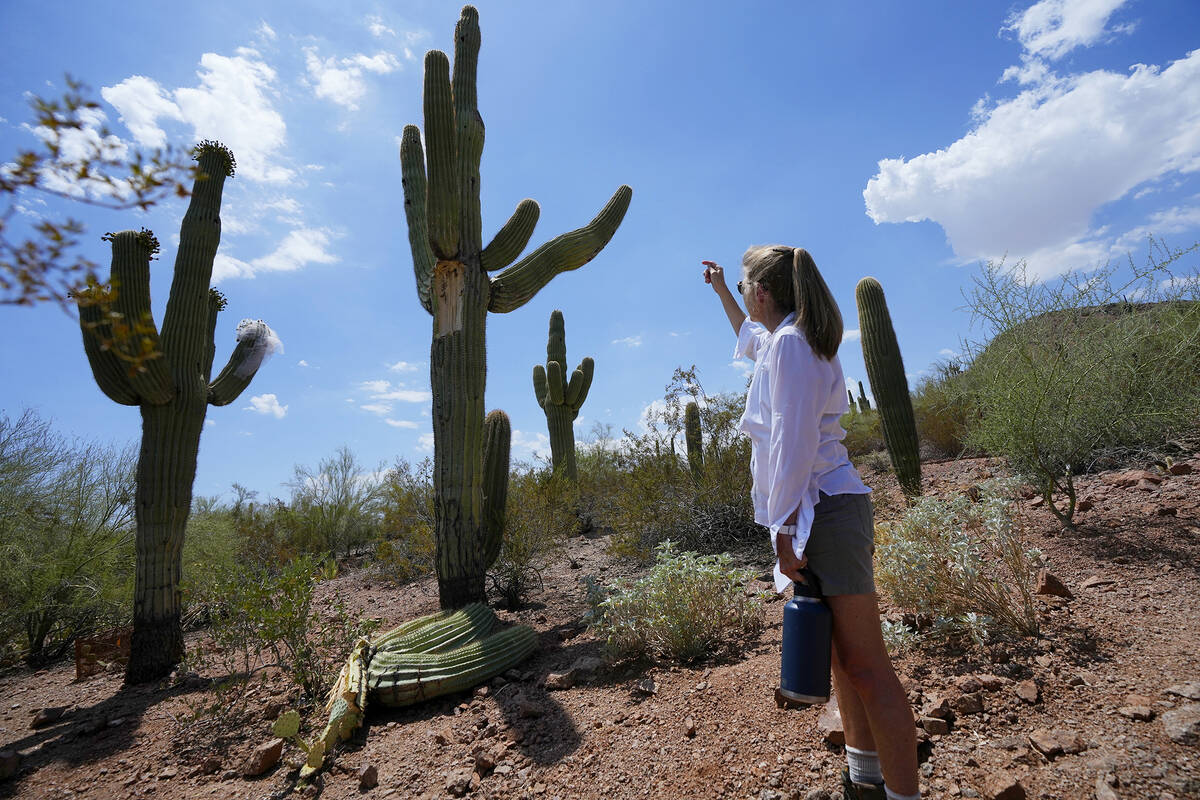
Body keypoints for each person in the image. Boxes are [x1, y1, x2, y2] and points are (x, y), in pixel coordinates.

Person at [703, 246, 920, 800]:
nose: (747, 297)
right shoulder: (783, 341)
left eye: (748, 285)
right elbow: (749, 335)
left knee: (867, 667)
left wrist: (781, 529)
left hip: (821, 510)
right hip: (816, 510)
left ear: (766, 292)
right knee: (843, 663)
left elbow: (792, 444)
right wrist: (723, 291)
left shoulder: (795, 346)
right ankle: (864, 781)